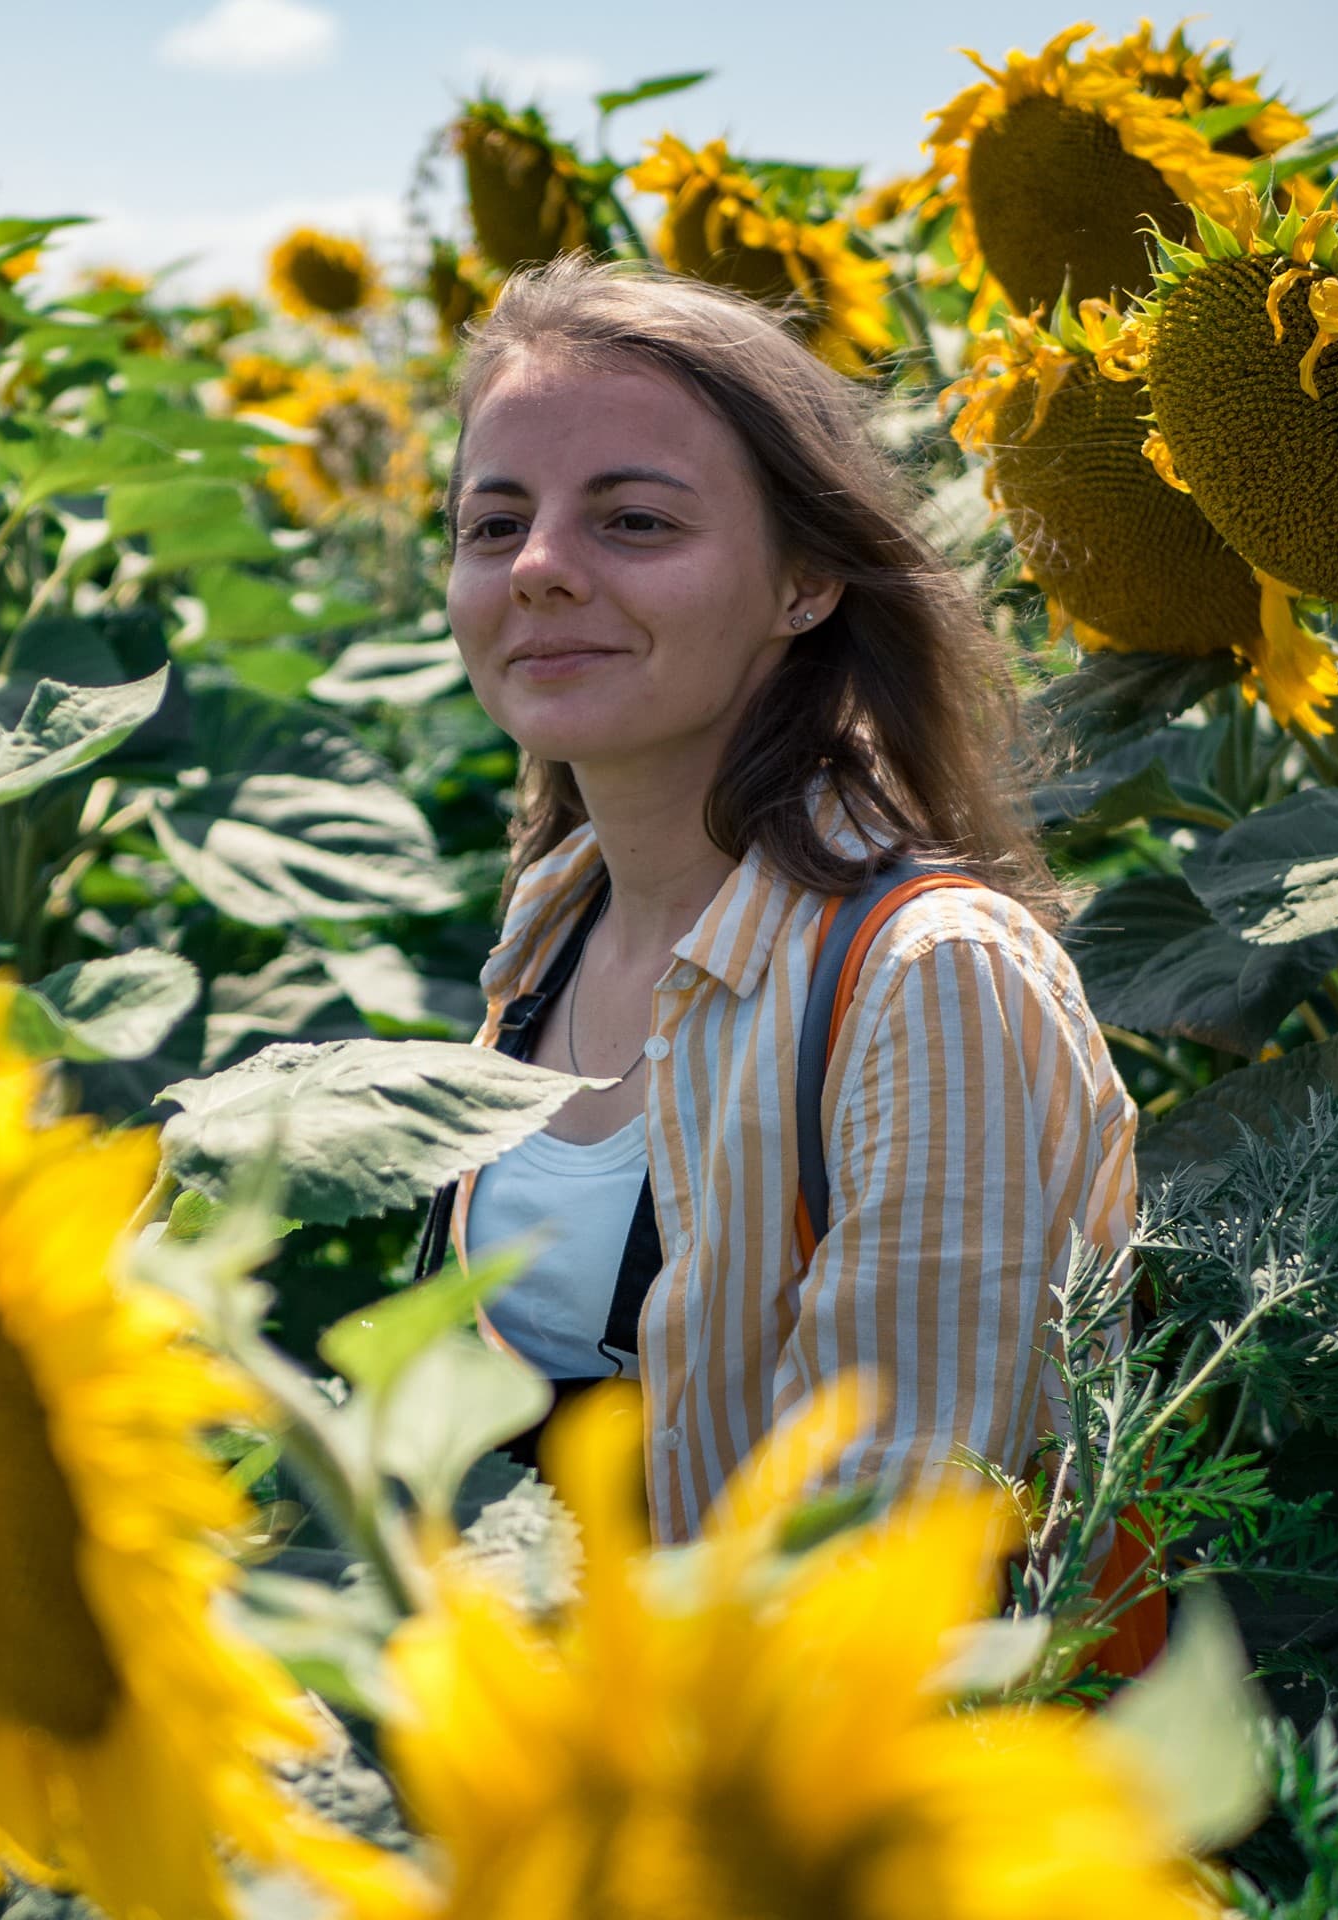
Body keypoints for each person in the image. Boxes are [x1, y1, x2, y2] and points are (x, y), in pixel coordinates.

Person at [426, 255, 1139, 1560]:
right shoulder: (553, 924)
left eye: (633, 521)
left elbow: (896, 1565)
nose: (537, 566)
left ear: (806, 582)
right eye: (493, 523)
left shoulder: (927, 983)